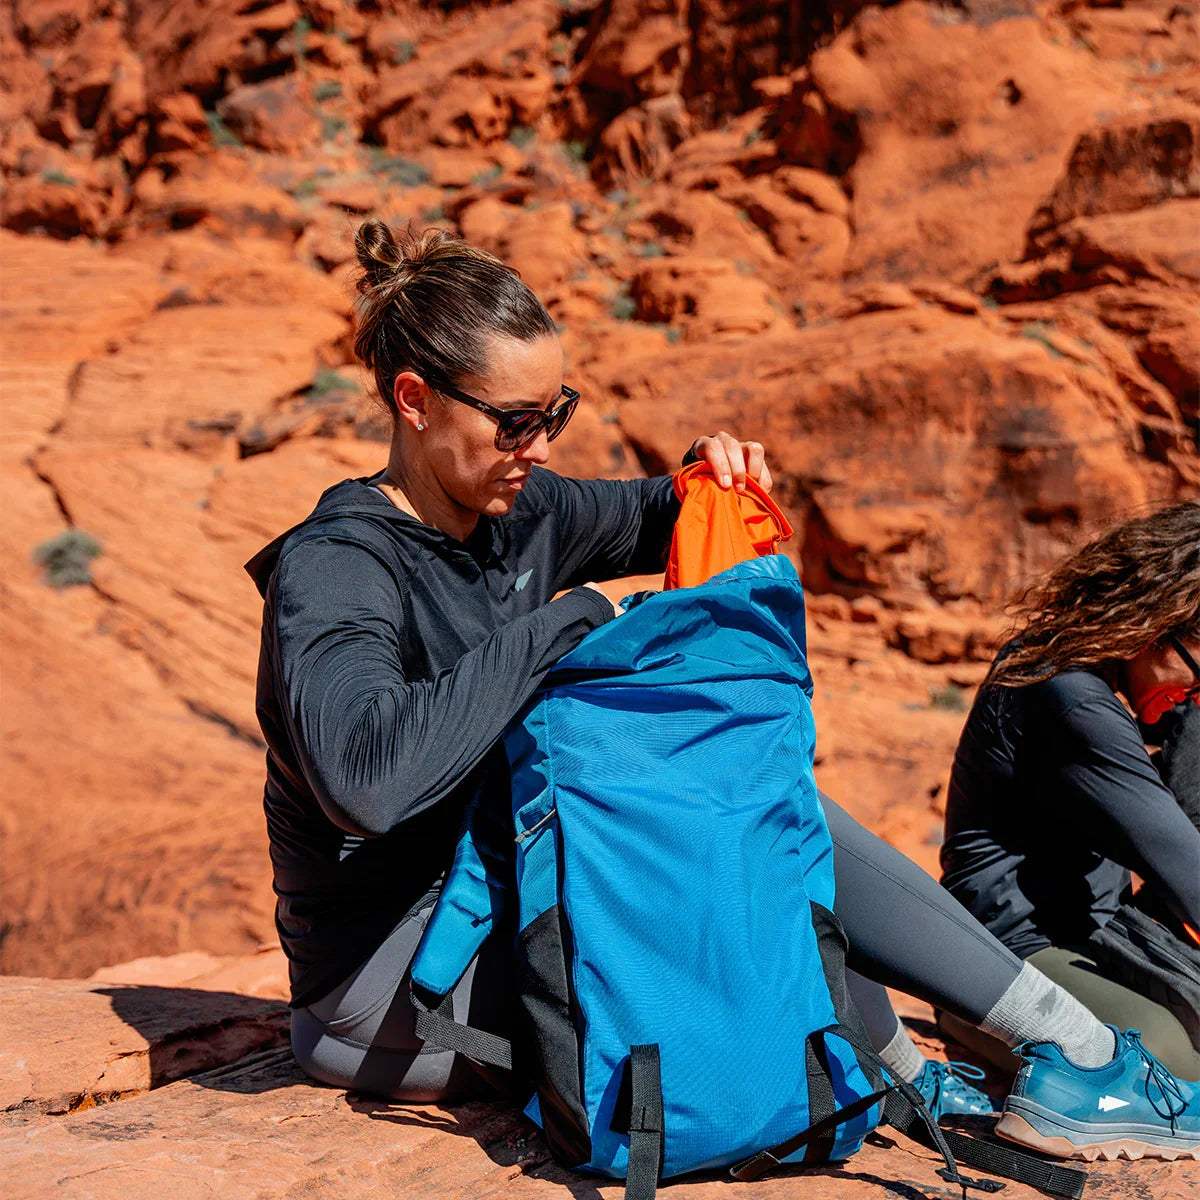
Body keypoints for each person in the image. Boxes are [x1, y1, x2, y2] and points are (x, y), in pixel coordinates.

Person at [245, 219, 1200, 1161]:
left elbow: (662, 512)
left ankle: (939, 1069)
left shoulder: (516, 511)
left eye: (555, 413)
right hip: (392, 987)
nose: (539, 447)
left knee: (747, 812)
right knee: (732, 831)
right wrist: (567, 621)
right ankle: (1074, 1054)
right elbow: (366, 781)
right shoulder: (339, 565)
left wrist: (712, 470)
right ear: (414, 400)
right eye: (515, 422)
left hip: (512, 902)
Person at [940, 505, 1200, 1080]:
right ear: (1153, 627)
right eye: (1197, 676)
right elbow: (1186, 867)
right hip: (1006, 952)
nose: (1193, 696)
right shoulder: (1071, 699)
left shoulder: (1079, 667)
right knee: (1169, 1064)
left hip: (1089, 932)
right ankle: (966, 1018)